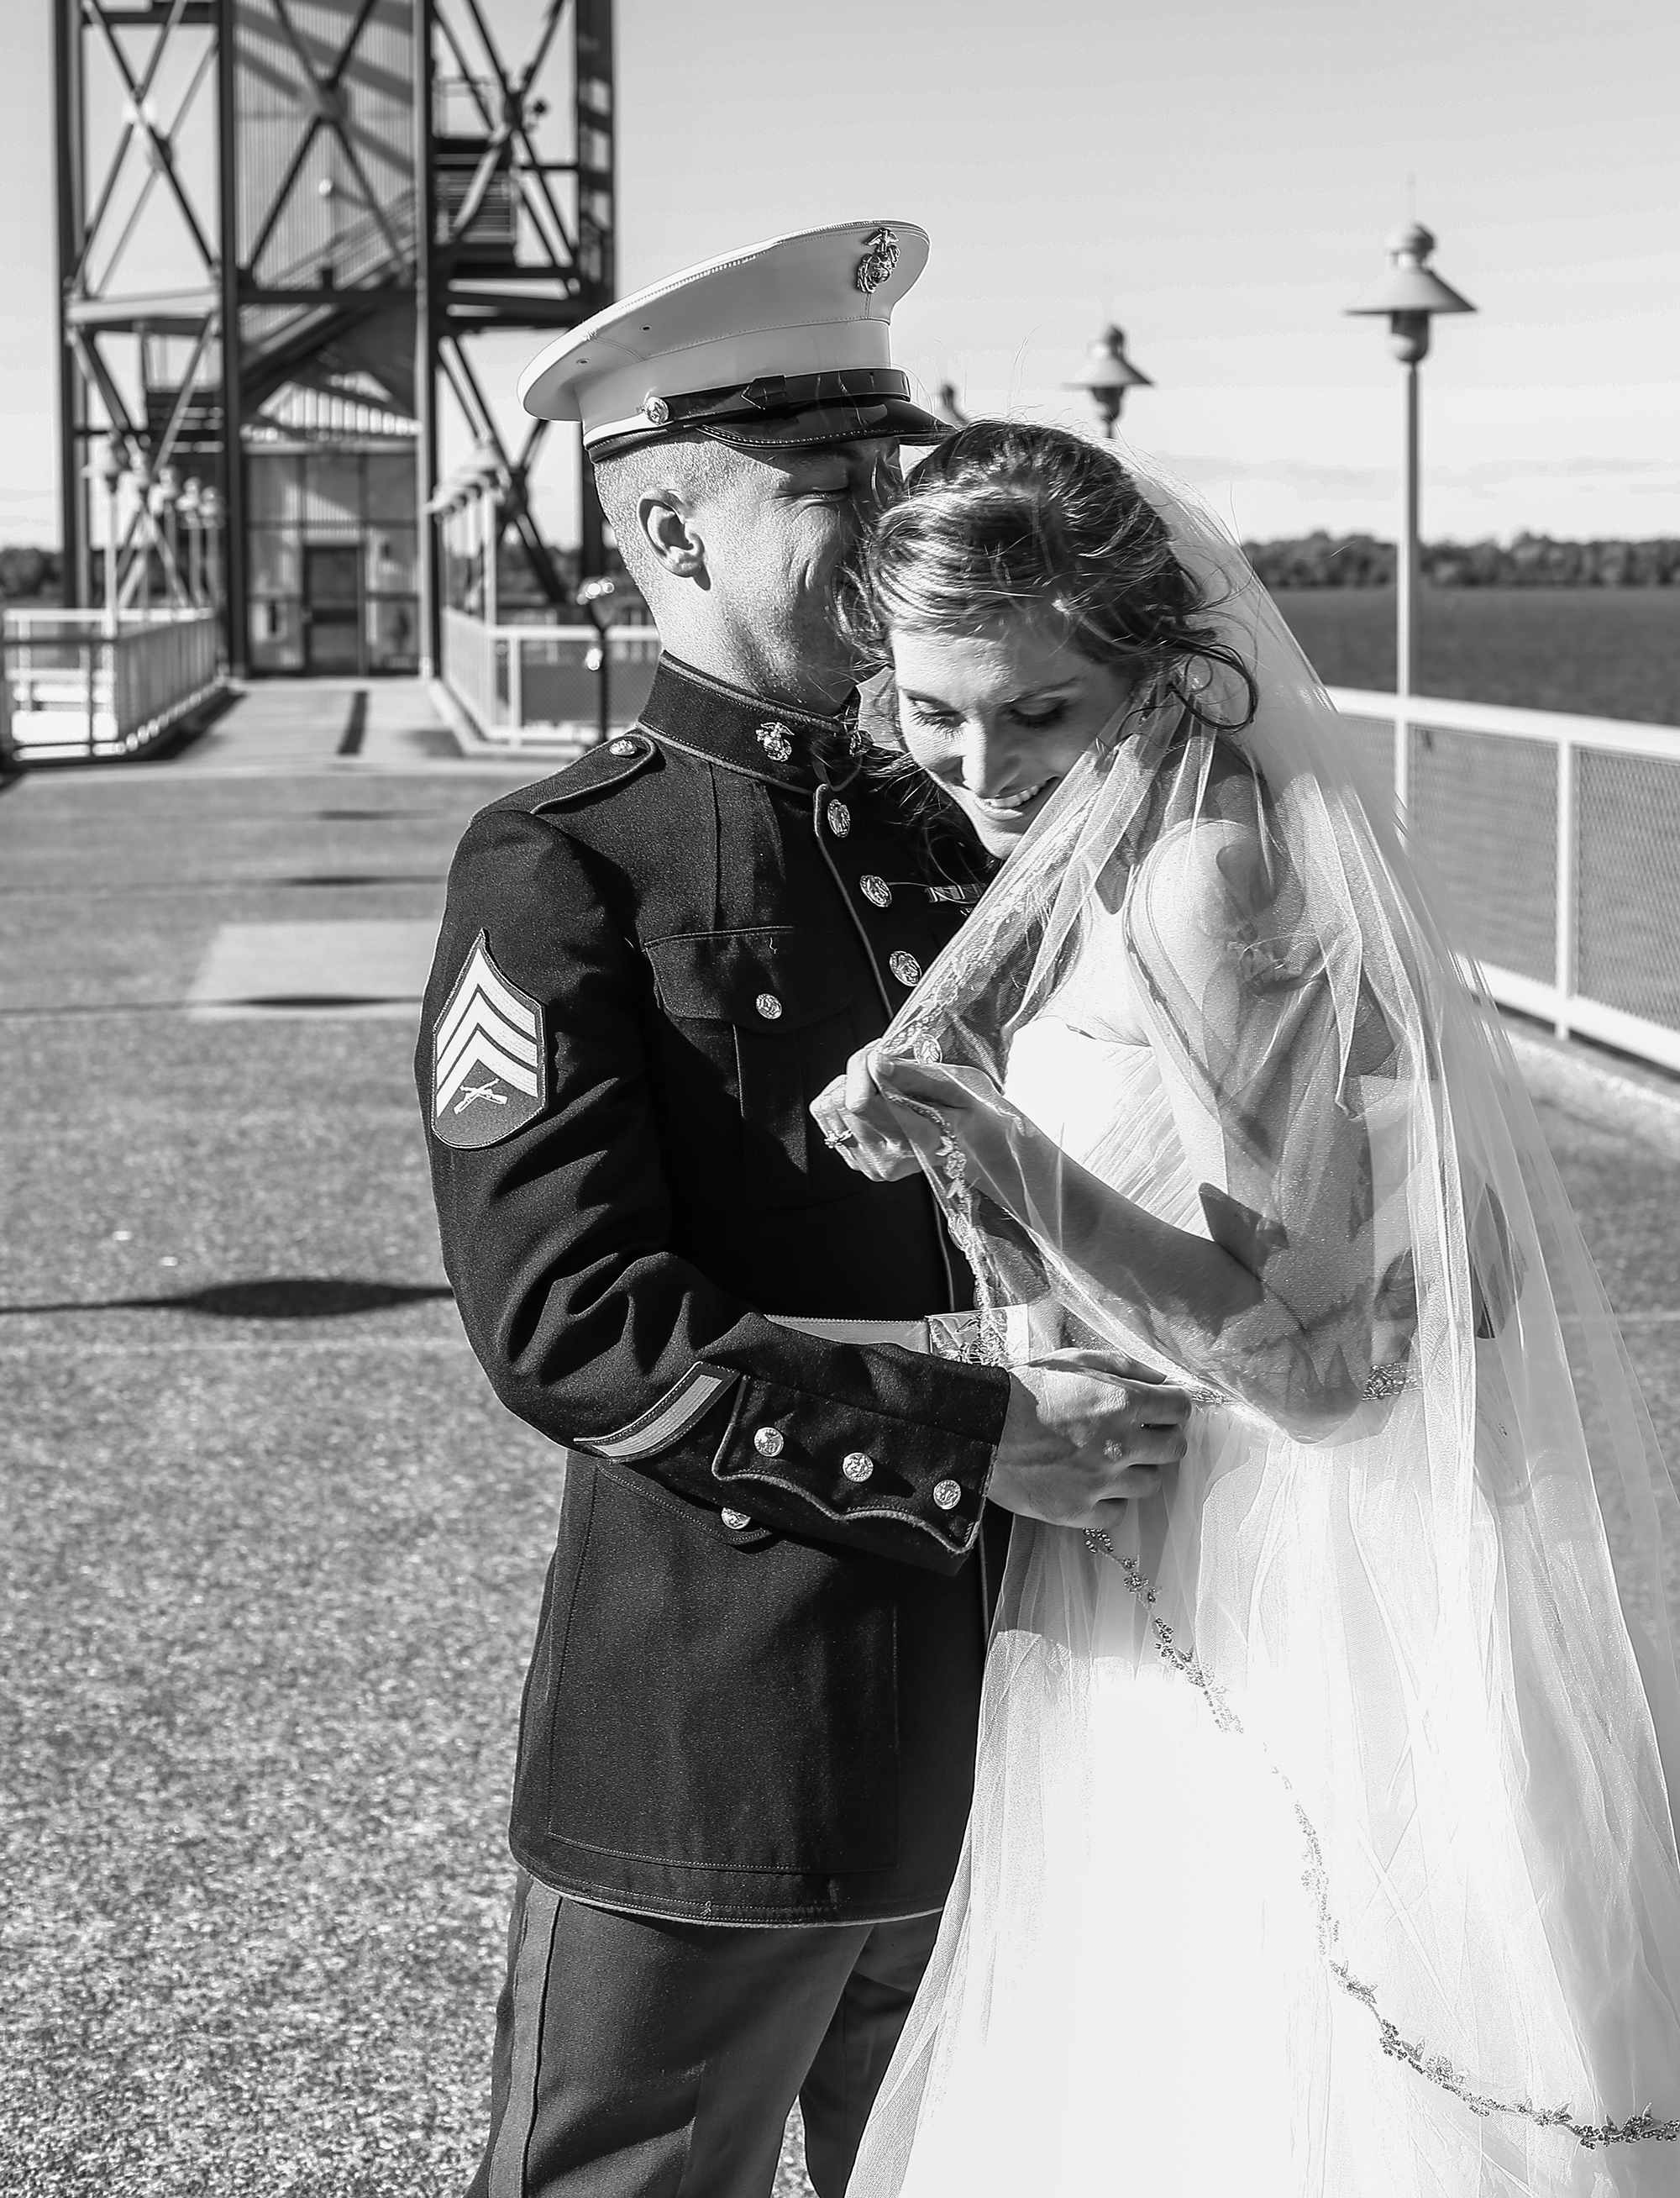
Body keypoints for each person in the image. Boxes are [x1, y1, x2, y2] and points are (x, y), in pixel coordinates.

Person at [811, 421, 1680, 2197]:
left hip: (1275, 1573)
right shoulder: (1093, 848)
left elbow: (1328, 1360)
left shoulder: (1213, 875)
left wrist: (995, 1140)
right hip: (1158, 1535)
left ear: (1150, 666)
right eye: (930, 711)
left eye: (1035, 713)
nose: (977, 766)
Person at [415, 232, 1190, 2198]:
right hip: (737, 1705)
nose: (892, 521)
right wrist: (984, 1442)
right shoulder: (563, 868)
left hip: (1047, 1671)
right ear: (668, 523)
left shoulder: (985, 803)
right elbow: (569, 1320)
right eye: (836, 488)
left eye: (894, 470)